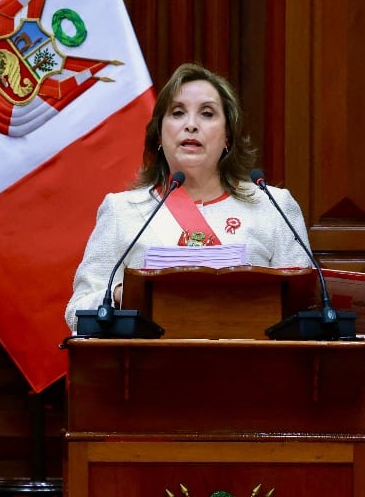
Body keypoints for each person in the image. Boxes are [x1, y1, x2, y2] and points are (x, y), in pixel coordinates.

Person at [65, 62, 314, 332]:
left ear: (228, 135)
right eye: (178, 113)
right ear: (159, 133)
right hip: (149, 369)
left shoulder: (273, 206)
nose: (191, 125)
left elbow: (304, 310)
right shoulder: (122, 210)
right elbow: (77, 314)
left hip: (249, 367)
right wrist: (120, 295)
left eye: (207, 114)